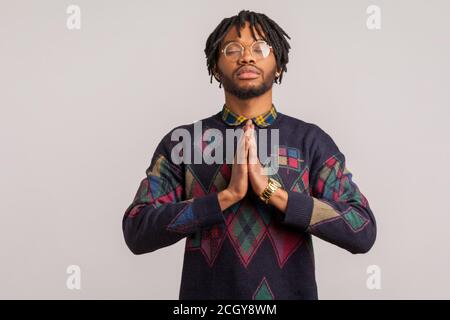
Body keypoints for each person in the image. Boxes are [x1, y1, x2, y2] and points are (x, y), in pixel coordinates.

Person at [122, 9, 377, 300]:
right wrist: (225, 197)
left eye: (260, 47)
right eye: (233, 48)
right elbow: (137, 228)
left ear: (278, 65)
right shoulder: (184, 143)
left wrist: (271, 193)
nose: (247, 56)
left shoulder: (310, 141)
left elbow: (362, 229)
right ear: (216, 67)